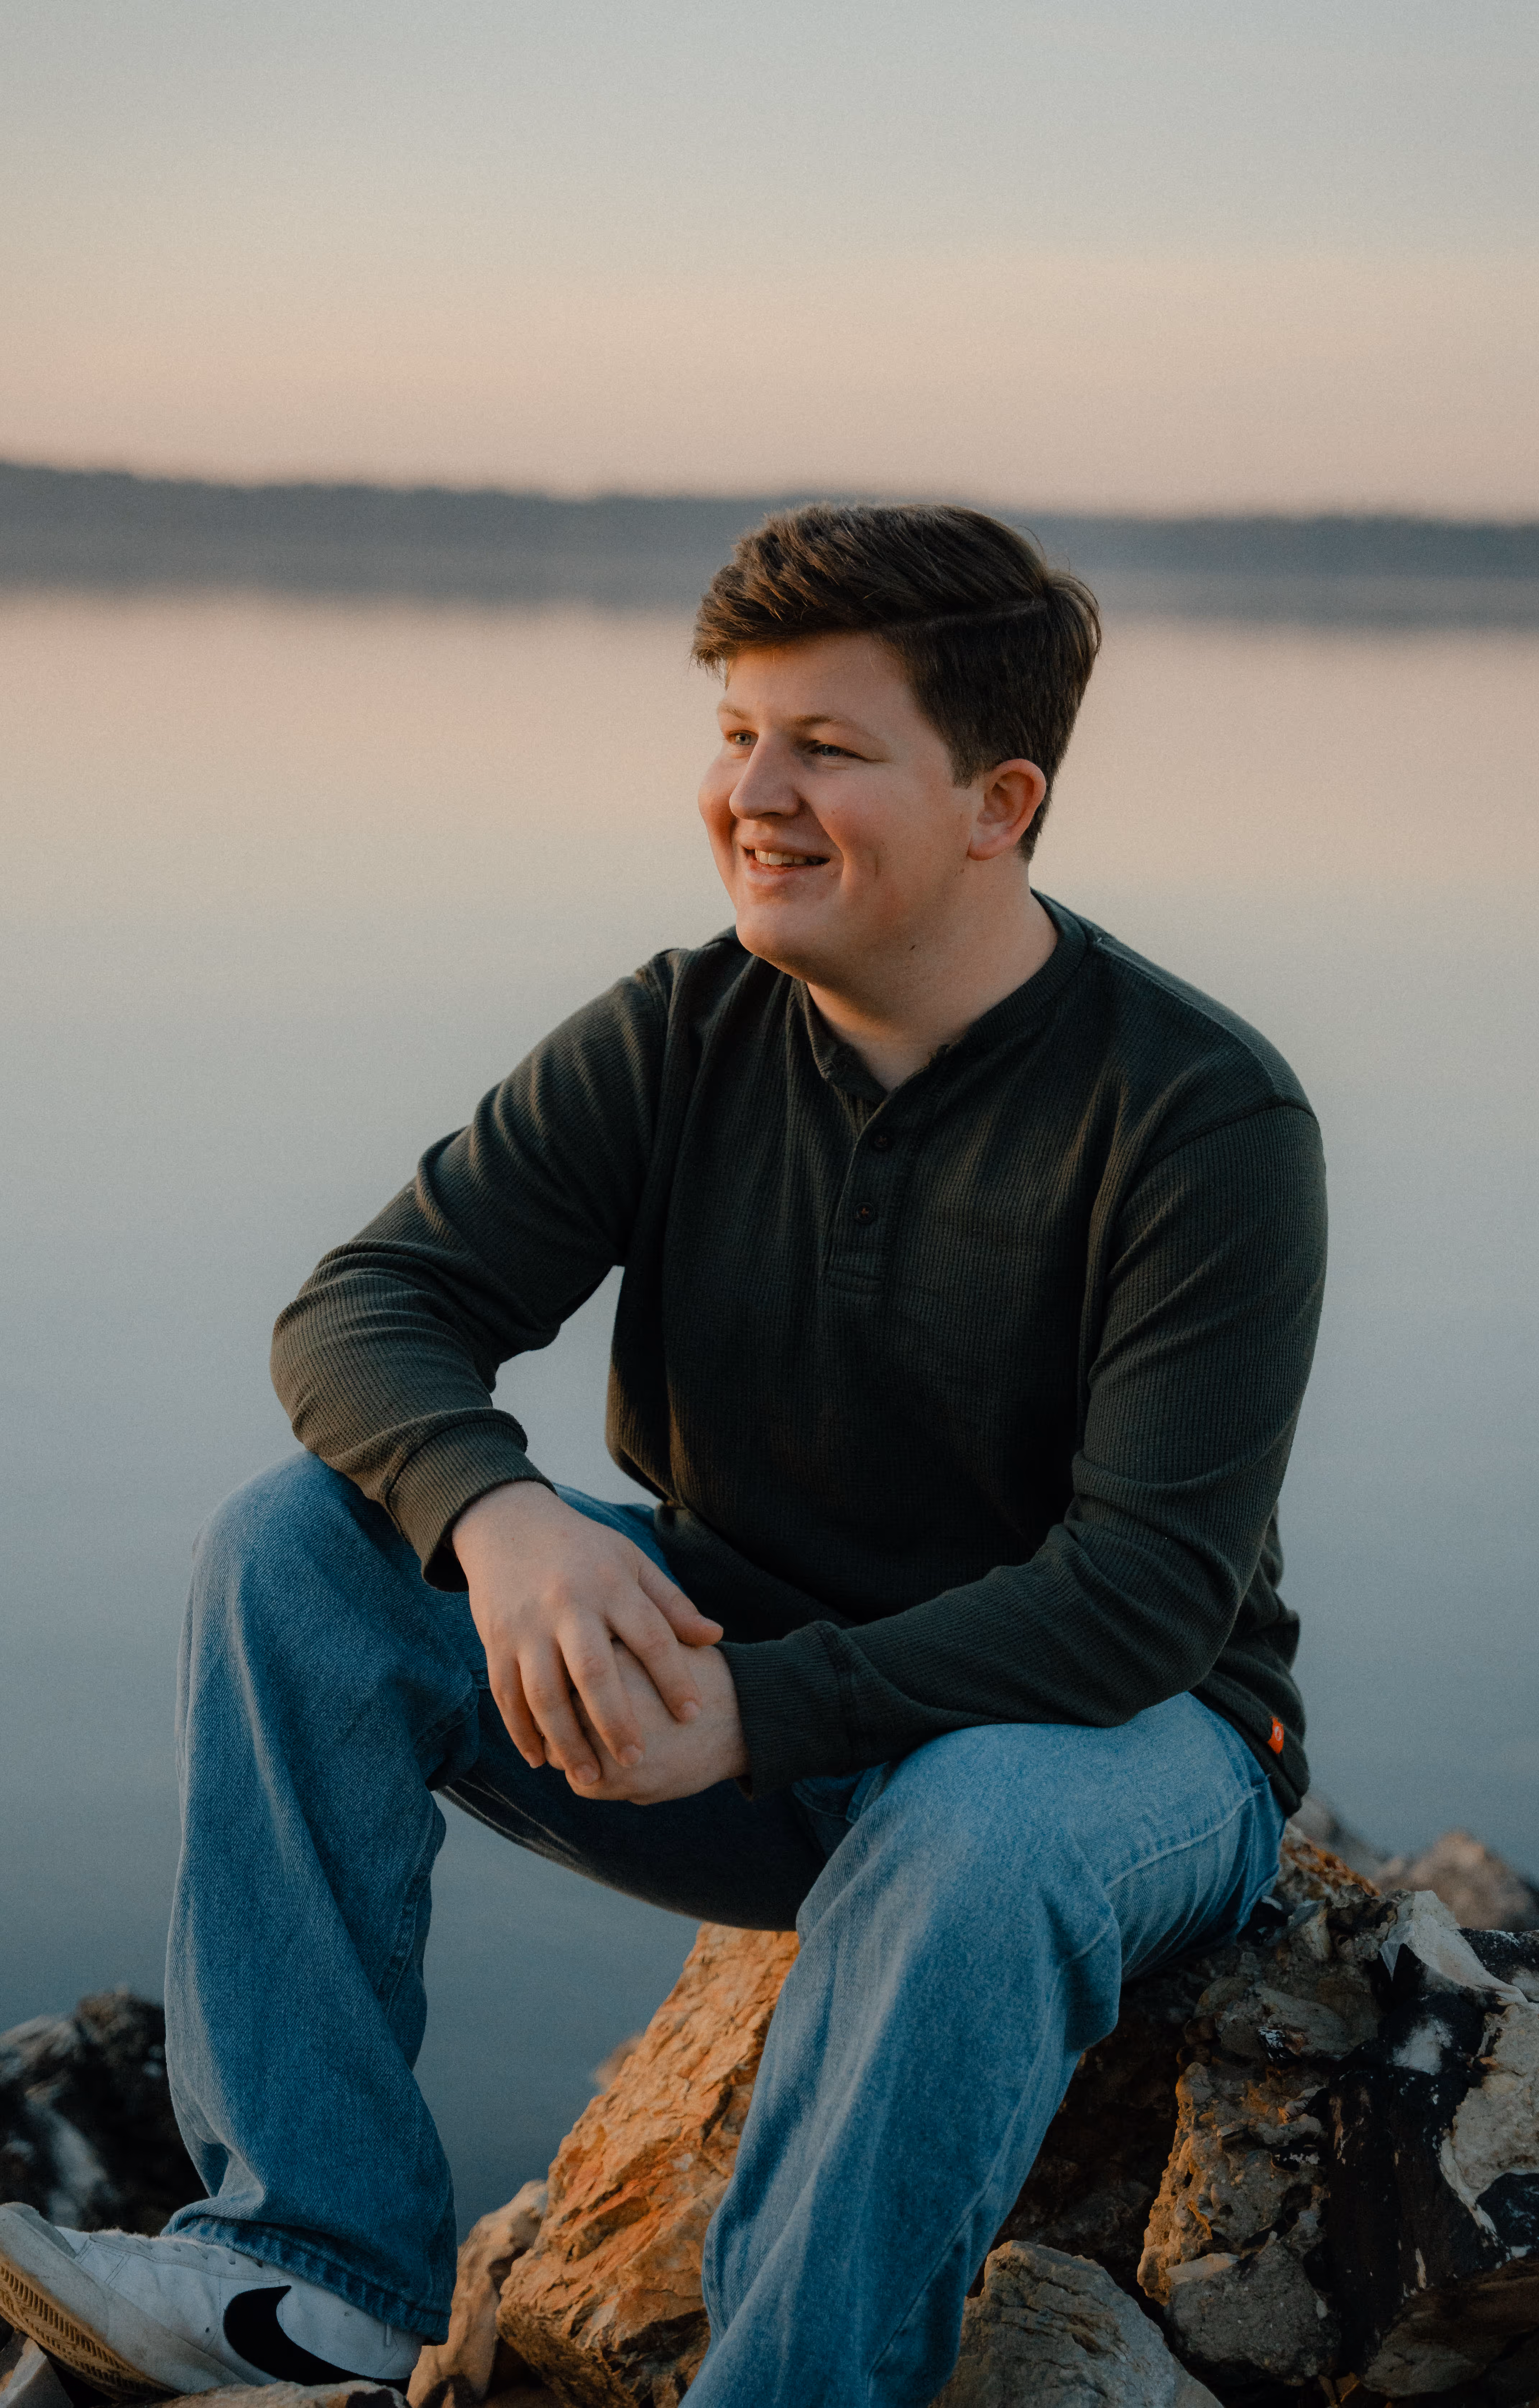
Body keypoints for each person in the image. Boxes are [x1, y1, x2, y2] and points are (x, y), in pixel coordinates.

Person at [0, 504, 1326, 2408]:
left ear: (999, 800)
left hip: (1127, 1749)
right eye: (738, 733)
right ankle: (316, 2281)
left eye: (828, 748)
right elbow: (364, 1307)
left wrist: (765, 1710)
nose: (752, 796)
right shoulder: (683, 1029)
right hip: (749, 1686)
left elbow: (1140, 1599)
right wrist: (505, 1511)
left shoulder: (1201, 1114)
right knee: (301, 1551)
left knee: (971, 1824)